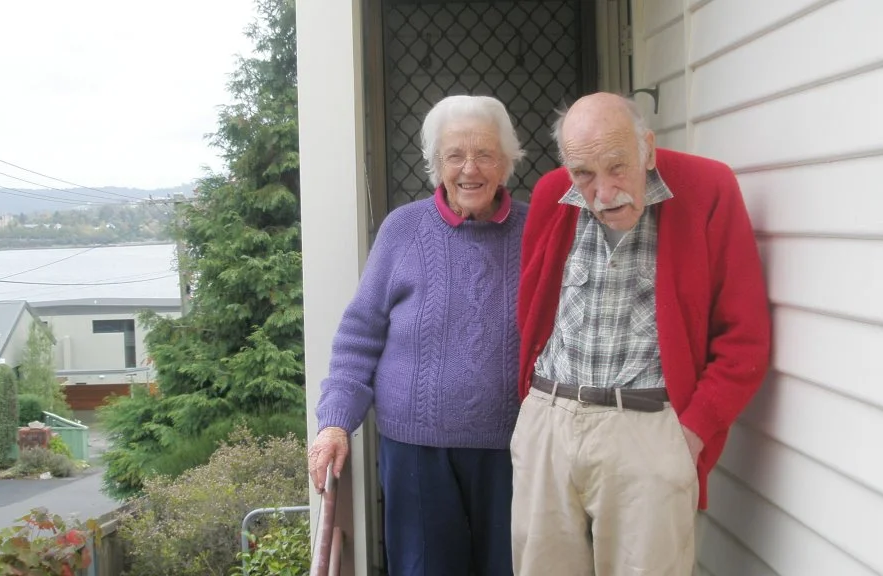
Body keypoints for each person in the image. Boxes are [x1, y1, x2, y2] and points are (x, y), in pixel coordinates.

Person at [512, 92, 771, 575]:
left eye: (617, 166)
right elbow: (532, 309)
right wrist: (530, 411)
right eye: (583, 174)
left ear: (647, 149)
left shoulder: (707, 188)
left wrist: (691, 433)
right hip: (549, 421)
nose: (604, 192)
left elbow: (745, 337)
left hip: (648, 426)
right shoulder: (552, 195)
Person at [309, 94, 528, 576]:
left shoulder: (535, 231)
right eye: (455, 155)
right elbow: (360, 333)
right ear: (436, 164)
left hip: (514, 447)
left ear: (507, 162)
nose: (470, 168)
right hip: (416, 451)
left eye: (485, 154)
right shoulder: (403, 230)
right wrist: (335, 422)